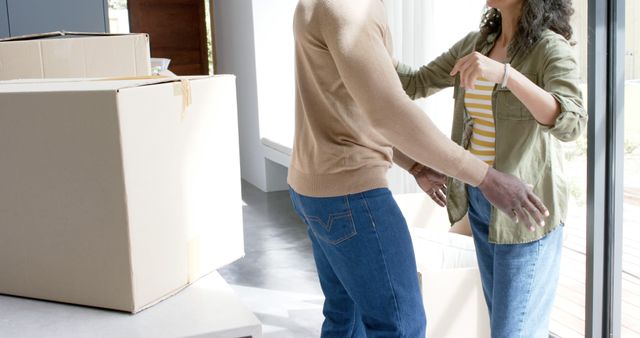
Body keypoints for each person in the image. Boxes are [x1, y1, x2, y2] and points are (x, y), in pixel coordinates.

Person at [288, 0, 549, 337]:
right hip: (349, 197)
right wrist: (485, 177)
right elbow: (389, 110)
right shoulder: (350, 10)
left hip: (314, 188)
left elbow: (349, 105)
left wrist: (412, 162)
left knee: (345, 318)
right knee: (401, 325)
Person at [394, 0, 587, 336]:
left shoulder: (548, 48)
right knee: (502, 323)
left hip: (525, 211)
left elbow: (571, 123)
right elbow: (414, 83)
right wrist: (370, 37)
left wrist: (506, 75)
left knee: (514, 331)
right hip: (483, 202)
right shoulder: (476, 44)